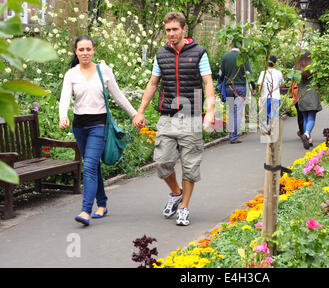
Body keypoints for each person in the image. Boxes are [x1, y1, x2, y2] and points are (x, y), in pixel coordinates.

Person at [132, 12, 215, 226]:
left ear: (184, 30)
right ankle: (175, 193)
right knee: (162, 162)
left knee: (190, 166)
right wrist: (140, 110)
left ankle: (184, 207)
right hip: (167, 116)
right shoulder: (161, 54)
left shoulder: (199, 53)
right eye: (168, 30)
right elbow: (152, 83)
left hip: (191, 117)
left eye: (175, 29)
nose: (171, 34)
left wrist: (211, 110)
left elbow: (207, 83)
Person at [59, 35, 137, 226]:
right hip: (79, 127)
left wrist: (135, 114)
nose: (85, 53)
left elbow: (118, 96)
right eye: (81, 50)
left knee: (89, 166)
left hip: (98, 126)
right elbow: (65, 98)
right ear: (76, 52)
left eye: (88, 49)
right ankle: (101, 204)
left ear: (93, 50)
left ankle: (86, 210)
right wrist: (63, 116)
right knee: (92, 165)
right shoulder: (72, 74)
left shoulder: (104, 70)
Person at [218, 42, 255, 143]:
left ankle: (231, 134)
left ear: (231, 45)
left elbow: (221, 74)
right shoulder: (243, 57)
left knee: (231, 112)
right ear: (240, 45)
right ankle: (233, 136)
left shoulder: (225, 57)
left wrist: (221, 83)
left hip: (228, 88)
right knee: (238, 113)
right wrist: (253, 86)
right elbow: (249, 73)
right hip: (240, 88)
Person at [296, 50, 322, 150]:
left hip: (301, 96)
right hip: (312, 95)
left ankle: (308, 139)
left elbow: (293, 79)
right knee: (311, 117)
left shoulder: (297, 69)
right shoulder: (314, 68)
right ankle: (306, 134)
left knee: (305, 117)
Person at [257, 54, 284, 129]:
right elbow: (281, 85)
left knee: (266, 117)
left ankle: (268, 132)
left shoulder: (263, 73)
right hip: (275, 97)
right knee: (274, 116)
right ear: (275, 63)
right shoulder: (279, 73)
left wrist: (259, 98)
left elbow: (261, 86)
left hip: (265, 98)